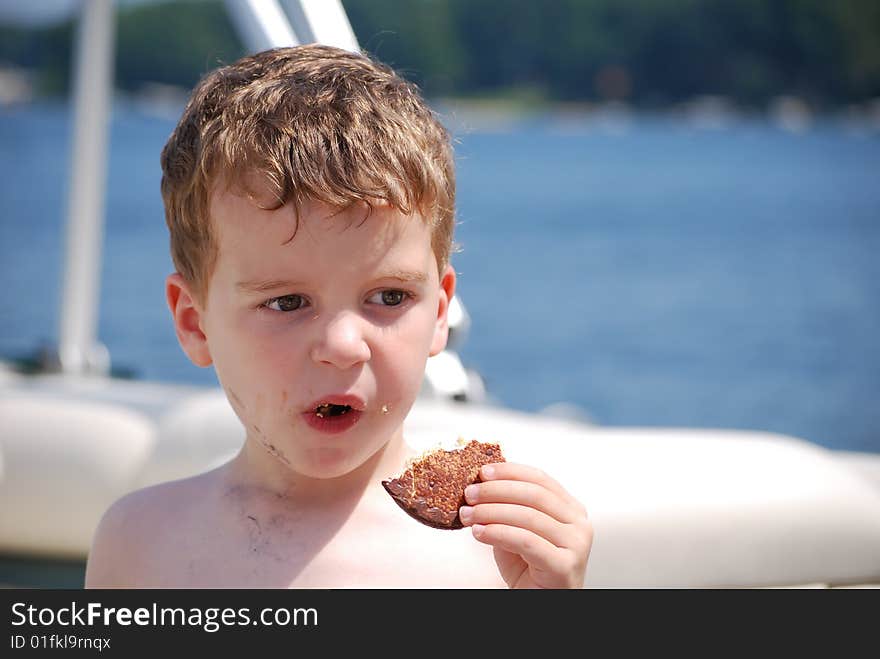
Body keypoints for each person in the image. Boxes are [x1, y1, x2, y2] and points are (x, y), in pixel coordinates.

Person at [84, 44, 592, 588]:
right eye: (286, 302)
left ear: (440, 311)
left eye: (390, 297)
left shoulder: (493, 553)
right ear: (194, 322)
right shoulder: (140, 543)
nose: (345, 344)